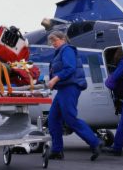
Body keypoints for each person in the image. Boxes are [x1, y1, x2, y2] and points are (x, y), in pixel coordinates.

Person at [47, 31, 102, 161]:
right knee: (53, 119)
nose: (52, 44)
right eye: (51, 41)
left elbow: (70, 68)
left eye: (54, 40)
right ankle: (57, 150)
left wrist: (55, 79)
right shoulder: (60, 52)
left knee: (70, 118)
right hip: (63, 89)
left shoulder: (67, 50)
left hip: (70, 87)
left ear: (62, 39)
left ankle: (95, 142)